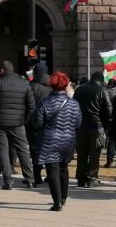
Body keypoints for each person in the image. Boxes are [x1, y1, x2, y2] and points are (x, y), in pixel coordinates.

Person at [31, 72, 82, 211]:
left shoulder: (45, 102)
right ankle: (64, 198)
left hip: (49, 139)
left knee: (52, 170)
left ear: (51, 85)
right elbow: (78, 123)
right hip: (69, 139)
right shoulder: (74, 103)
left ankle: (57, 202)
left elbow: (37, 122)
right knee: (64, 168)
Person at [0, 60, 35, 190]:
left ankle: (8, 181)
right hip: (18, 123)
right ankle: (29, 178)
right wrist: (24, 120)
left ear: (1, 70)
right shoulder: (25, 84)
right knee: (23, 150)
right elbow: (31, 107)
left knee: (2, 151)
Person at [72, 71, 112, 188]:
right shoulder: (103, 90)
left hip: (81, 125)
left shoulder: (79, 89)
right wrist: (107, 126)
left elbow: (73, 106)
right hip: (97, 126)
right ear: (101, 79)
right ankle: (91, 178)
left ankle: (80, 177)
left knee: (82, 153)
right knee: (95, 153)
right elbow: (109, 111)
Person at [27, 62, 52, 186]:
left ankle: (37, 176)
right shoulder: (51, 86)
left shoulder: (31, 86)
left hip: (33, 123)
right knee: (49, 150)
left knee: (35, 150)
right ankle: (50, 175)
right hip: (50, 123)